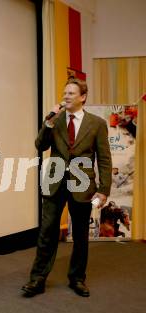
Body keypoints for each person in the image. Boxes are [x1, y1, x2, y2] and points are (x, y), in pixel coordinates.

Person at [22, 78, 112, 298]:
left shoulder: (97, 124)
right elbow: (40, 145)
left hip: (83, 185)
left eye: (71, 93)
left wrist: (104, 189)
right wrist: (49, 122)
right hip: (54, 183)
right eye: (65, 93)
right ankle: (38, 279)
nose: (66, 96)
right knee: (47, 232)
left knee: (81, 234)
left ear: (82, 97)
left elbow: (104, 159)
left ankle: (77, 279)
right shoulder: (56, 120)